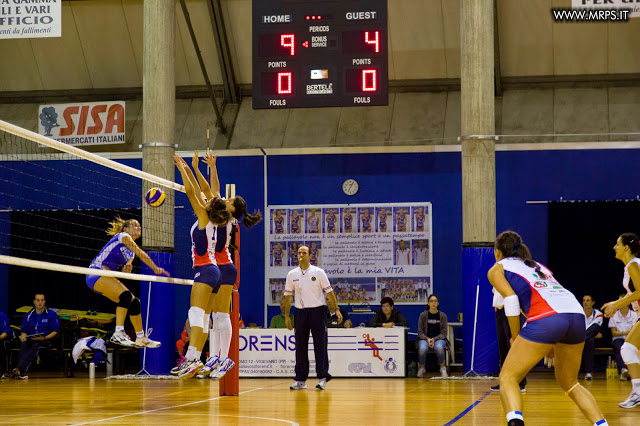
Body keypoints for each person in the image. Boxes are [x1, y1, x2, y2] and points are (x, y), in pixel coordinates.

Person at [488, 231, 608, 426]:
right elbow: (544, 297)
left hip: (548, 317)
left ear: (497, 252)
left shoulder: (497, 268)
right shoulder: (536, 265)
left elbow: (511, 300)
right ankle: (601, 424)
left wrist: (515, 337)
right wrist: (551, 341)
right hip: (575, 314)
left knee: (508, 377)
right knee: (569, 382)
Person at [192, 151, 262, 379]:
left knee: (221, 316)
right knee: (215, 315)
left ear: (233, 208)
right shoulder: (225, 215)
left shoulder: (225, 217)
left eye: (230, 201)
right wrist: (209, 166)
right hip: (223, 267)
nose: (226, 200)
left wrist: (202, 169)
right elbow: (211, 189)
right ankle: (216, 357)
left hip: (222, 267)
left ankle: (224, 358)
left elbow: (210, 191)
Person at [172, 154, 232, 379]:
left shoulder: (204, 218)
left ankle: (193, 357)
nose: (204, 201)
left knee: (196, 314)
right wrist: (193, 169)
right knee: (203, 317)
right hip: (214, 270)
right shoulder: (214, 219)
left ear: (209, 207)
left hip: (206, 269)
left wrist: (183, 170)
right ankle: (193, 358)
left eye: (207, 201)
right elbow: (204, 193)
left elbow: (191, 193)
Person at [86, 217, 169, 348]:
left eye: (139, 226)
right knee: (125, 296)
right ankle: (118, 332)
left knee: (134, 301)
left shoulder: (130, 254)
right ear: (126, 229)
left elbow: (125, 272)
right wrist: (155, 268)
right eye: (135, 225)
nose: (138, 227)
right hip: (96, 273)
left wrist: (127, 268)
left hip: (106, 276)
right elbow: (141, 253)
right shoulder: (123, 236)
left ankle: (141, 338)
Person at [284, 245, 342, 390]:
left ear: (311, 256)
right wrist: (287, 316)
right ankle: (300, 380)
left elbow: (329, 293)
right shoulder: (292, 274)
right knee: (300, 347)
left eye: (304, 253)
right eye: (299, 253)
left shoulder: (319, 272)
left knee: (320, 345)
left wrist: (336, 309)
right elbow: (287, 297)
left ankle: (322, 377)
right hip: (300, 313)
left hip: (317, 312)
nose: (301, 255)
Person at [601, 232, 640, 409]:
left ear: (626, 247)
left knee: (628, 349)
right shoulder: (631, 266)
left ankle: (637, 393)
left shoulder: (633, 265)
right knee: (635, 353)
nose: (614, 247)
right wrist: (616, 303)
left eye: (617, 244)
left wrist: (617, 304)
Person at [11, 293, 59, 380]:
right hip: (31, 338)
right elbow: (24, 330)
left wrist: (44, 338)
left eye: (42, 300)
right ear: (34, 302)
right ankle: (19, 369)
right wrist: (23, 336)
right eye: (38, 300)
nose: (40, 302)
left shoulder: (51, 314)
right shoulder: (29, 315)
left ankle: (21, 369)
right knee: (24, 343)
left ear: (45, 301)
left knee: (36, 345)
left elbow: (55, 331)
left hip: (46, 340)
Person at [416, 294, 449, 378]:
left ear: (438, 303)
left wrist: (434, 339)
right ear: (428, 303)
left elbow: (444, 333)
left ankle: (442, 367)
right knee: (423, 348)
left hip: (439, 339)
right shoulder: (423, 315)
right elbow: (420, 332)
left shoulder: (443, 316)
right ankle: (422, 367)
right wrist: (427, 339)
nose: (433, 303)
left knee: (438, 347)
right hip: (425, 339)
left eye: (435, 301)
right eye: (431, 301)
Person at [609, 293, 638, 381]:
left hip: (632, 338)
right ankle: (624, 370)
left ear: (628, 302)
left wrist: (623, 333)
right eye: (618, 301)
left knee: (631, 348)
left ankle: (633, 373)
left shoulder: (634, 314)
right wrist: (625, 332)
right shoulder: (614, 315)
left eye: (622, 301)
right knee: (619, 346)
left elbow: (635, 331)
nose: (620, 303)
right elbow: (614, 333)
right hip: (618, 339)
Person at [581, 294, 603, 380]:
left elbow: (595, 328)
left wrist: (582, 336)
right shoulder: (579, 313)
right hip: (588, 338)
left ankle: (580, 341)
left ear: (593, 302)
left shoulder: (598, 314)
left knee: (595, 329)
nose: (585, 303)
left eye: (588, 300)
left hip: (584, 339)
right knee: (589, 340)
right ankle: (588, 372)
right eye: (584, 300)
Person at [0, 311, 14, 379]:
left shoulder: (2, 316)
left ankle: (5, 371)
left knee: (3, 344)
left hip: (5, 338)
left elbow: (4, 334)